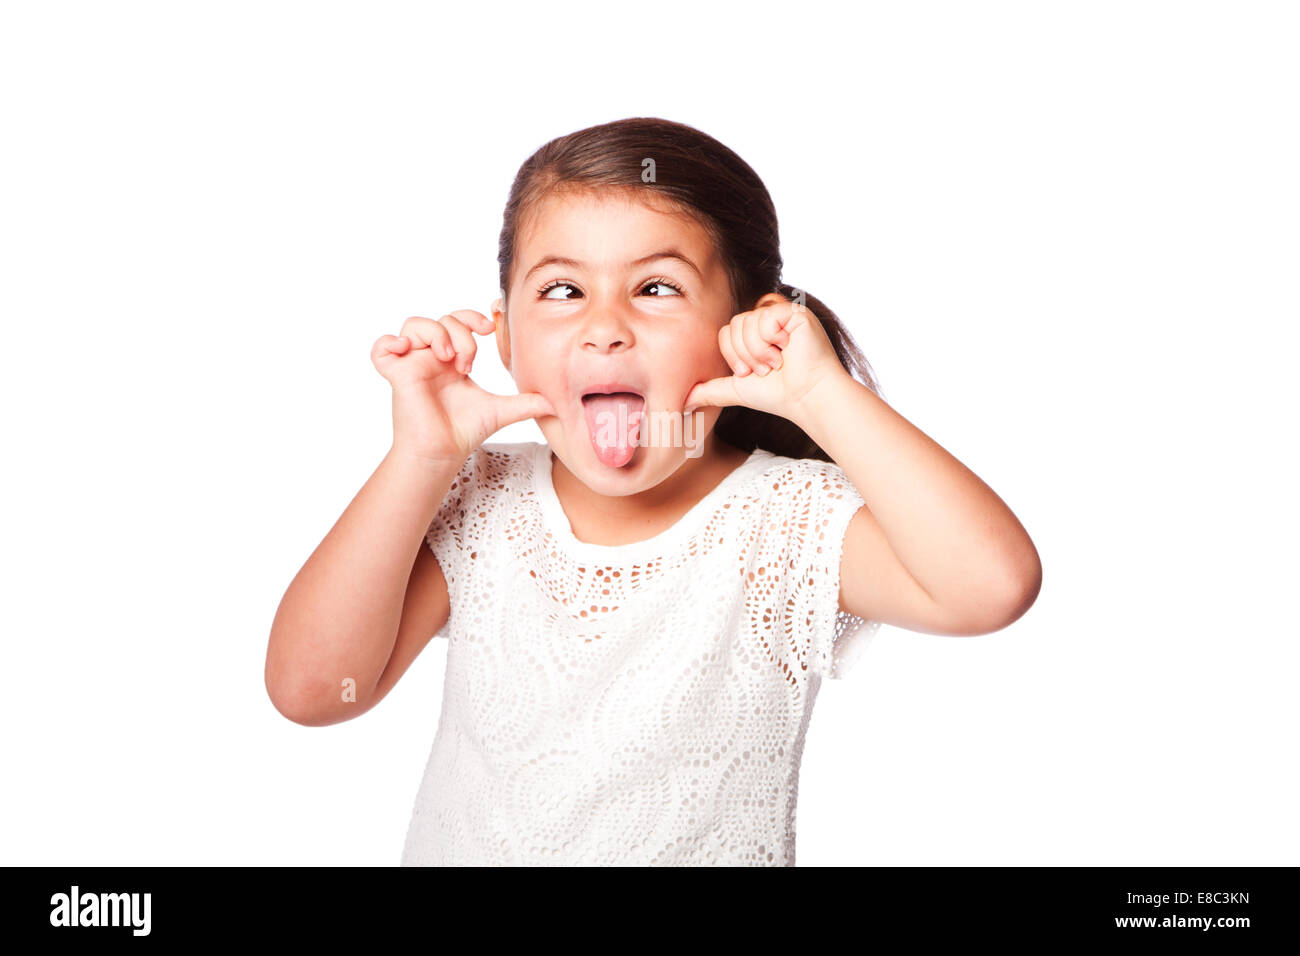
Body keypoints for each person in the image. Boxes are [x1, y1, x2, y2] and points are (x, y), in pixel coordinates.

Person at [264, 117, 1042, 866]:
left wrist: (818, 394)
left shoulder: (784, 522)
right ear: (504, 339)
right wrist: (419, 458)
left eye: (658, 288)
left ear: (749, 328)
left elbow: (991, 588)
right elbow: (313, 691)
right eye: (563, 291)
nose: (605, 328)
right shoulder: (483, 502)